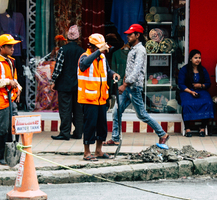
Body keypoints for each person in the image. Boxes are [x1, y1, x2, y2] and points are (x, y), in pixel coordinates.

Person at [104, 24, 170, 147]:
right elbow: (130, 70)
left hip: (133, 87)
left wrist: (124, 85)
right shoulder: (133, 49)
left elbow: (136, 71)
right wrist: (124, 81)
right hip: (129, 86)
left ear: (138, 35)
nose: (128, 36)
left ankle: (162, 134)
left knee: (142, 114)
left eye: (131, 34)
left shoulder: (140, 50)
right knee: (116, 111)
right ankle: (115, 138)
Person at [78, 33, 120, 161]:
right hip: (89, 98)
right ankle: (87, 153)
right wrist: (98, 52)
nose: (101, 50)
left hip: (101, 98)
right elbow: (83, 65)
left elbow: (107, 71)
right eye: (98, 48)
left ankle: (98, 151)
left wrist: (113, 74)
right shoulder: (84, 57)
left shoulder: (102, 58)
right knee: (89, 125)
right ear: (91, 46)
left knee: (102, 126)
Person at [0, 34, 22, 165]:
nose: (13, 48)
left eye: (13, 46)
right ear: (2, 47)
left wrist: (18, 87)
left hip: (10, 100)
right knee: (2, 129)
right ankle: (0, 157)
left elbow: (14, 79)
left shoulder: (10, 61)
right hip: (1, 101)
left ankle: (9, 156)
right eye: (10, 46)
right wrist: (8, 82)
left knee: (12, 128)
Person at [50, 25, 85, 140]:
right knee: (78, 109)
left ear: (67, 37)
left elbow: (58, 68)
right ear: (78, 38)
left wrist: (53, 80)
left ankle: (65, 133)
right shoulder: (82, 51)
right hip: (78, 85)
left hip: (64, 84)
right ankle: (79, 132)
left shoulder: (63, 50)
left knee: (65, 109)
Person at [178, 49, 214, 137]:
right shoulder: (184, 69)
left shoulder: (203, 70)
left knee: (208, 103)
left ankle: (202, 127)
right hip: (187, 91)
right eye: (195, 58)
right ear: (191, 59)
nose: (198, 60)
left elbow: (208, 83)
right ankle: (187, 128)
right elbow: (181, 84)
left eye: (199, 58)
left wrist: (200, 85)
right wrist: (190, 91)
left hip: (201, 90)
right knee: (187, 104)